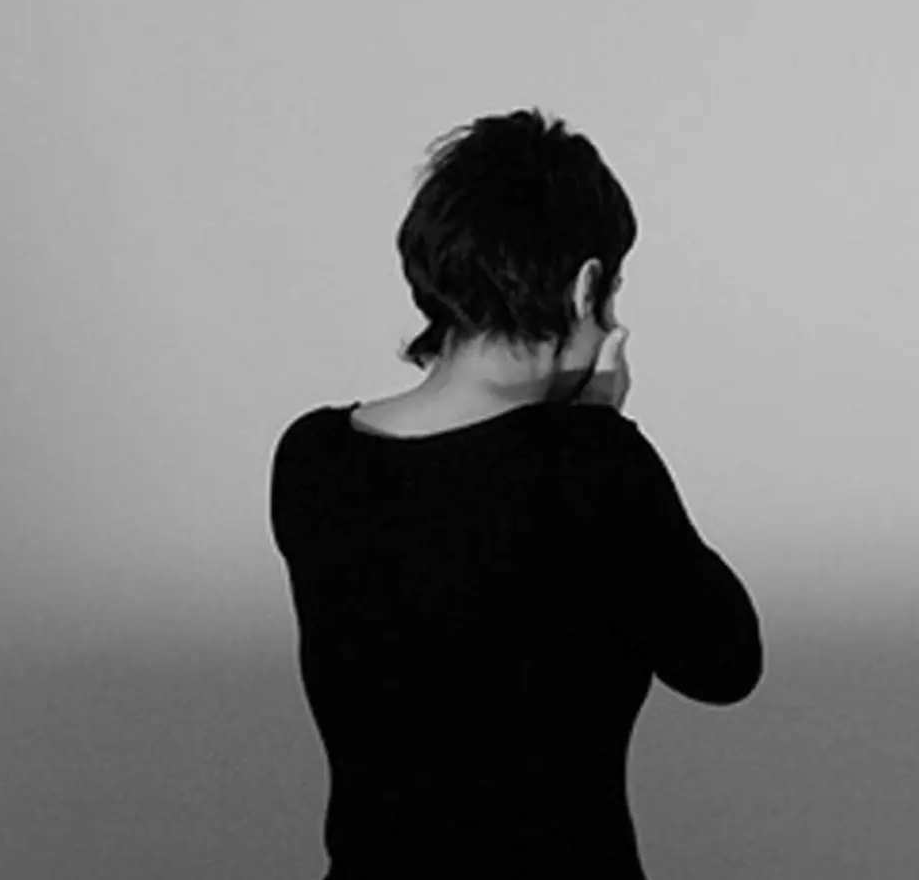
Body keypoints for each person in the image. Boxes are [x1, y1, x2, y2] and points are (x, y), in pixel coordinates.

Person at [267, 108, 763, 878]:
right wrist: (598, 429)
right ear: (586, 288)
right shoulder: (593, 468)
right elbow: (724, 663)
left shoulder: (313, 460)